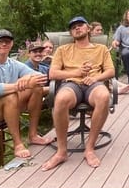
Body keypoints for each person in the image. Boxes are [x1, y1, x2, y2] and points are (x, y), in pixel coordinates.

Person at [42, 16, 115, 171]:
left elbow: (111, 71)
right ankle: (62, 152)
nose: (76, 28)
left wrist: (95, 77)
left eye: (80, 25)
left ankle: (89, 148)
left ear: (88, 28)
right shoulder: (63, 50)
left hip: (93, 84)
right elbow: (53, 74)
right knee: (61, 99)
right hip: (72, 84)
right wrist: (77, 72)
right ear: (71, 32)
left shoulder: (101, 49)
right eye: (73, 27)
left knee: (103, 96)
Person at [0, 29, 53, 160]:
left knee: (37, 88)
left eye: (7, 41)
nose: (4, 44)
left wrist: (27, 79)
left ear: (12, 44)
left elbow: (40, 77)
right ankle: (18, 144)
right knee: (10, 95)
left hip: (6, 106)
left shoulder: (12, 63)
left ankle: (33, 135)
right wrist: (17, 85)